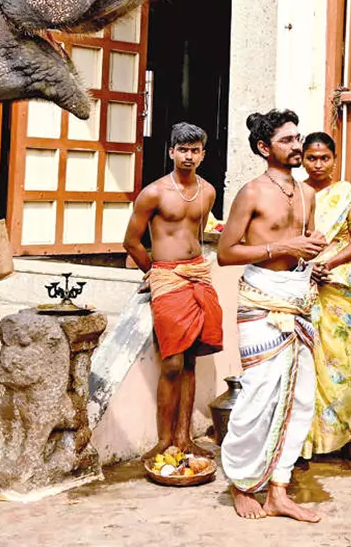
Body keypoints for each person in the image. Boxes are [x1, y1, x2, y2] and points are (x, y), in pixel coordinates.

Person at [216, 109, 325, 522]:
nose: (297, 145)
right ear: (264, 148)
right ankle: (242, 484)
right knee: (258, 396)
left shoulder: (307, 194)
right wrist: (284, 249)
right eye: (286, 140)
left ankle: (279, 488)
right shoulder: (252, 192)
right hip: (260, 301)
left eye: (297, 138)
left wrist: (315, 254)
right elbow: (227, 253)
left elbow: (305, 245)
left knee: (300, 399)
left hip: (297, 299)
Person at [122, 122, 222, 462]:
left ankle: (184, 437)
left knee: (191, 360)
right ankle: (164, 440)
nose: (189, 156)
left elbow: (198, 232)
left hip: (198, 274)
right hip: (167, 278)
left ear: (203, 154)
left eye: (195, 150)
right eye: (183, 150)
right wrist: (153, 272)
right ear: (171, 152)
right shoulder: (154, 193)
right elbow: (131, 241)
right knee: (173, 364)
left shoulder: (207, 191)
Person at [298, 132, 351, 465]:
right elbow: (284, 238)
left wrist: (327, 263)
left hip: (338, 288)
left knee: (340, 364)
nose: (317, 164)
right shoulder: (295, 194)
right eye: (311, 158)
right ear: (302, 159)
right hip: (301, 286)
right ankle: (301, 443)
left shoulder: (345, 194)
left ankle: (345, 439)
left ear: (334, 159)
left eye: (324, 158)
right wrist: (306, 267)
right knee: (304, 365)